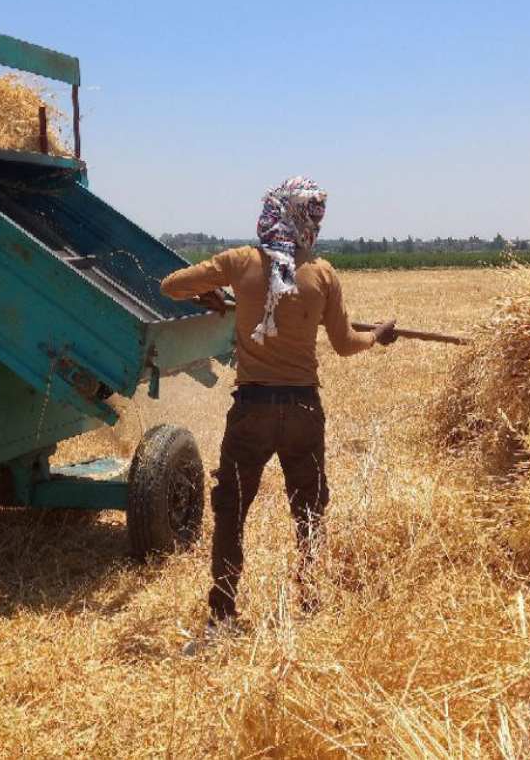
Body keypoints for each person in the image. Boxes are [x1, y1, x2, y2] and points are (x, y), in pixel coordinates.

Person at [160, 176, 396, 631]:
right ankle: (308, 603)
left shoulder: (241, 262)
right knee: (309, 509)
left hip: (252, 409)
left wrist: (211, 294)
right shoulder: (322, 274)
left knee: (231, 509)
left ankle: (223, 613)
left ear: (274, 212)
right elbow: (345, 344)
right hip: (304, 409)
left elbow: (171, 285)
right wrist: (377, 336)